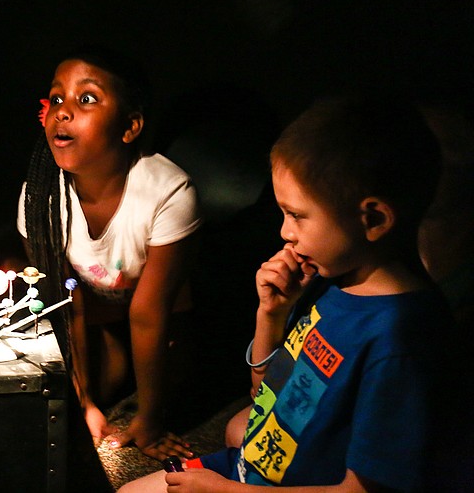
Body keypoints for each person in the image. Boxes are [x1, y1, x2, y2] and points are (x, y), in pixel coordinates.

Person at [119, 97, 464, 491]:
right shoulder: (335, 280)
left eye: (297, 215)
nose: (285, 232)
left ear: (373, 220)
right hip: (253, 469)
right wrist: (272, 314)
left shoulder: (401, 340)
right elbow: (265, 396)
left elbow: (367, 490)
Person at [17, 46, 202, 460]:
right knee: (74, 398)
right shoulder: (39, 196)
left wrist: (151, 422)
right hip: (98, 316)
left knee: (174, 387)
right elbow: (67, 304)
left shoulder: (168, 191)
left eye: (86, 99)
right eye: (57, 97)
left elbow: (149, 312)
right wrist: (85, 403)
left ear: (130, 126)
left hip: (165, 322)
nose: (63, 111)